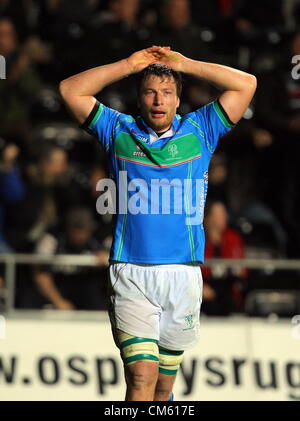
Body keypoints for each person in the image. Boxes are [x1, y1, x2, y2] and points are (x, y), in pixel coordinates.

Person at [59, 45, 256, 401]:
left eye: (167, 93)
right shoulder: (117, 130)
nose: (158, 100)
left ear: (178, 100)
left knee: (164, 387)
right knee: (141, 377)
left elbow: (246, 84)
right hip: (132, 271)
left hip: (184, 275)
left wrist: (186, 65)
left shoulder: (201, 130)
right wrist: (128, 65)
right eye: (150, 92)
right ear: (139, 99)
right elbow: (70, 90)